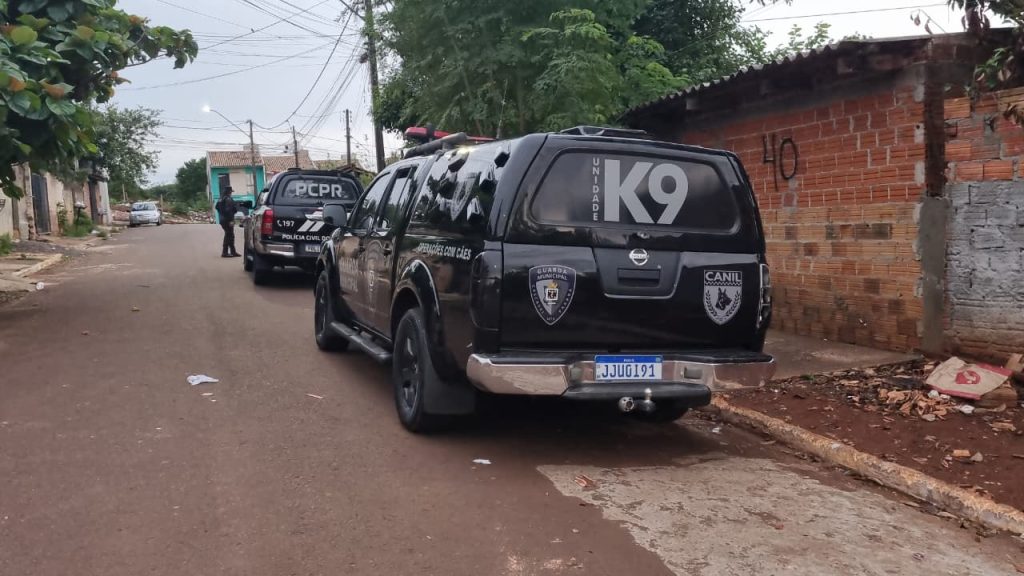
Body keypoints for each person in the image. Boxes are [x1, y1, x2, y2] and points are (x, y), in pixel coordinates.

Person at [215, 187, 240, 258]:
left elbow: (216, 207)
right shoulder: (228, 199)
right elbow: (231, 209)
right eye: (231, 192)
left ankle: (233, 251)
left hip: (223, 219)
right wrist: (232, 212)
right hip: (229, 219)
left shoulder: (220, 199)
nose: (231, 193)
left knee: (229, 235)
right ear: (229, 192)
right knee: (229, 235)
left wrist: (222, 213)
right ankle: (225, 252)